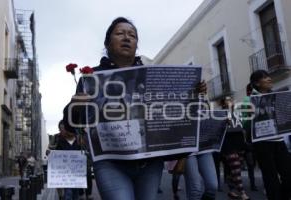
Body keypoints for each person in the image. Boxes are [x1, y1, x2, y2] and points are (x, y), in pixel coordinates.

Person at [72, 17, 207, 200]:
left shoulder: (152, 76)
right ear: (107, 42)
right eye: (120, 33)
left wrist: (192, 93)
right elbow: (73, 123)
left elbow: (170, 113)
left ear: (136, 45)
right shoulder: (91, 78)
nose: (127, 38)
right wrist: (75, 107)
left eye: (132, 35)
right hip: (110, 162)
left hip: (149, 164)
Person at [243, 70, 291, 200]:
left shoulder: (276, 96)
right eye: (265, 77)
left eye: (269, 76)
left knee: (288, 175)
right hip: (262, 144)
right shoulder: (248, 100)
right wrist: (251, 115)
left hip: (279, 140)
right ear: (257, 83)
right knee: (271, 179)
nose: (269, 79)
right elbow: (245, 124)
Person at [220, 96, 250, 200]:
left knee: (237, 168)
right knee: (236, 167)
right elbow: (223, 125)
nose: (231, 101)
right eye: (227, 100)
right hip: (228, 144)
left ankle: (232, 190)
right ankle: (242, 193)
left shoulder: (238, 113)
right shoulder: (221, 114)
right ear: (223, 103)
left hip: (240, 142)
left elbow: (243, 125)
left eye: (231, 99)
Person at [56, 119, 81, 200]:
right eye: (60, 128)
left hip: (77, 172)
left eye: (63, 128)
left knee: (75, 192)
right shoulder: (60, 141)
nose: (62, 130)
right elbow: (55, 154)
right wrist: (50, 152)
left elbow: (85, 151)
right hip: (66, 172)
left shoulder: (79, 140)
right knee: (68, 192)